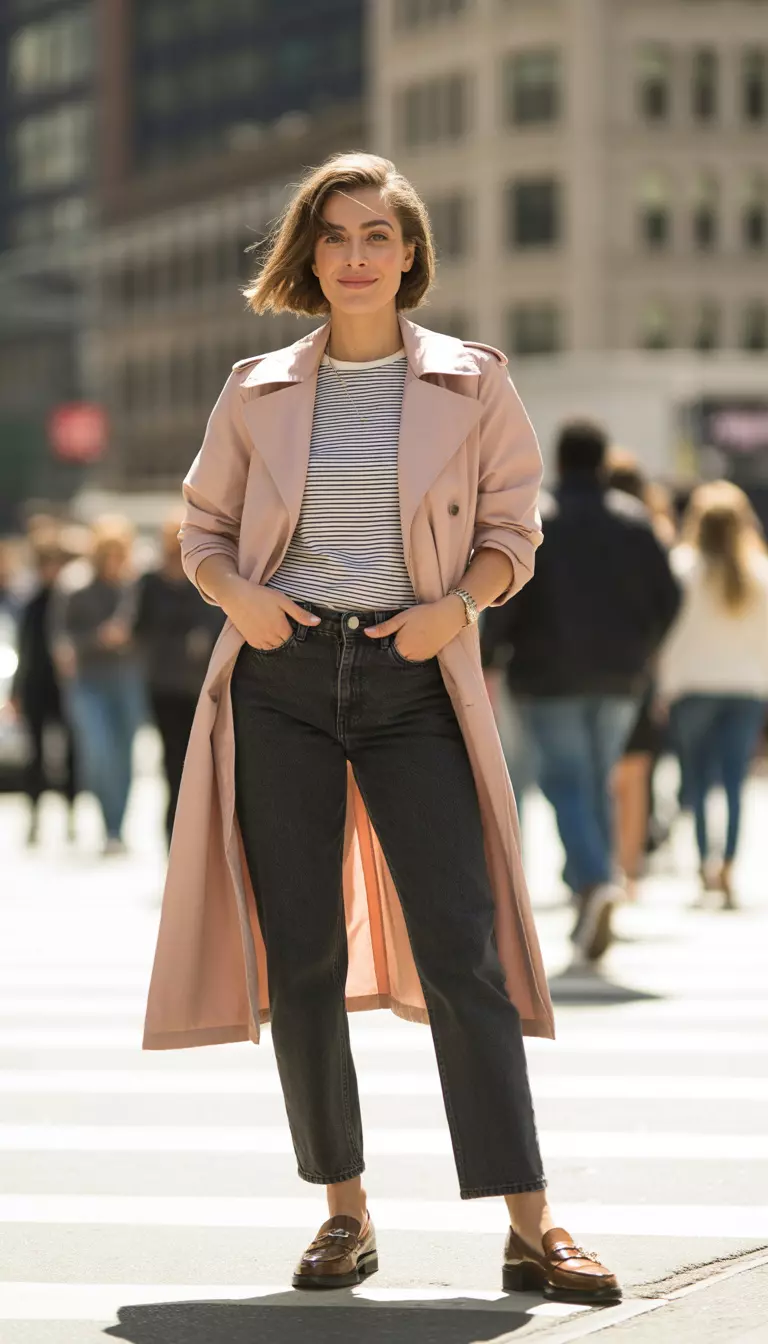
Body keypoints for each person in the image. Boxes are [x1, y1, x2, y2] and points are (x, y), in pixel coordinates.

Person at [143, 152, 621, 1304]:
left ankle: (531, 1222)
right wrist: (238, 598)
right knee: (302, 958)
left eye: (379, 236)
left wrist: (454, 608)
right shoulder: (255, 387)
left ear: (411, 256)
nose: (357, 254)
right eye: (337, 235)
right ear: (311, 255)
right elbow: (199, 530)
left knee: (466, 954)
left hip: (416, 683)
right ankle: (343, 1215)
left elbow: (515, 534)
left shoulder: (475, 383)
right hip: (281, 680)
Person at [482, 420, 680, 960]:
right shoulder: (637, 523)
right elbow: (669, 596)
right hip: (621, 676)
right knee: (598, 780)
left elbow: (508, 594)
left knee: (567, 782)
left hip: (547, 676)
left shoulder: (540, 520)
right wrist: (644, 649)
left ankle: (592, 882)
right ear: (601, 461)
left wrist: (488, 654)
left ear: (560, 460)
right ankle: (596, 883)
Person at [657, 481, 768, 907]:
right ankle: (729, 866)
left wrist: (665, 685)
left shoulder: (681, 567)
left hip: (693, 686)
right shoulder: (757, 571)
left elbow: (668, 637)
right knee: (735, 781)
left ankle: (706, 861)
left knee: (699, 779)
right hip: (745, 687)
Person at [605, 453, 676, 892]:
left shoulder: (588, 529)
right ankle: (628, 872)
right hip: (639, 664)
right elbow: (670, 598)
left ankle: (604, 867)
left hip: (586, 662)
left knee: (602, 773)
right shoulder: (653, 531)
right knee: (636, 772)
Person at [53, 517, 145, 855]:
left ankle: (116, 828)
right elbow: (61, 640)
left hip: (127, 679)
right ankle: (108, 821)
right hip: (88, 682)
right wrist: (97, 638)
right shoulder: (74, 585)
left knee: (125, 755)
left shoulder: (133, 587)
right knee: (100, 752)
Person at [135, 514, 224, 844]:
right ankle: (174, 829)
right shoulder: (149, 582)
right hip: (163, 683)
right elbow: (137, 627)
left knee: (202, 758)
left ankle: (195, 829)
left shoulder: (201, 578)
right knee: (174, 757)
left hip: (201, 685)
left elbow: (216, 622)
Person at [11, 535, 77, 843]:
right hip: (36, 685)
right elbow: (24, 649)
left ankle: (71, 813)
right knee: (34, 753)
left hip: (65, 685)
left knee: (70, 752)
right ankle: (35, 814)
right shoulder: (32, 602)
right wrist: (16, 691)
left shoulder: (68, 599)